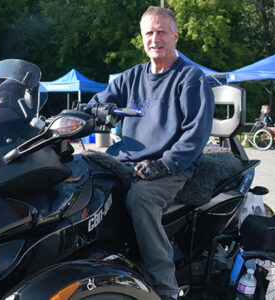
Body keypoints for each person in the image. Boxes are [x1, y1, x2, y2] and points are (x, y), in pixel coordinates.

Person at [88, 6, 214, 300]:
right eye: (149, 32)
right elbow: (94, 105)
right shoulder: (130, 77)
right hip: (126, 160)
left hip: (173, 166)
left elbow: (195, 136)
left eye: (161, 32)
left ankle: (165, 289)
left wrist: (165, 164)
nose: (154, 38)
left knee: (141, 198)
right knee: (79, 177)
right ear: (142, 38)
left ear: (175, 37)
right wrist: (82, 115)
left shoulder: (190, 79)